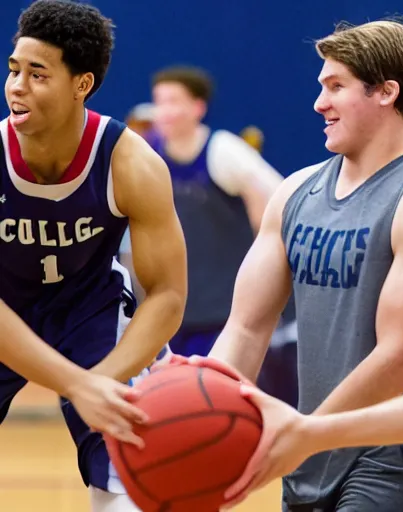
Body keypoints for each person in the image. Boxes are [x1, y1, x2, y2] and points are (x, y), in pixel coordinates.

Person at [211, 0, 403, 506]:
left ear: (386, 92)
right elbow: (245, 328)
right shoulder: (295, 193)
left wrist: (307, 434)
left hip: (389, 463)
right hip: (311, 450)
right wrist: (204, 409)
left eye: (336, 87)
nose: (318, 104)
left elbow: (397, 356)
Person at [0, 1, 187, 511]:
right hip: (6, 307)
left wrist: (101, 386)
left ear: (81, 84)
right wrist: (75, 383)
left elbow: (168, 296)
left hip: (91, 308)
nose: (16, 87)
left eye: (37, 75)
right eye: (14, 70)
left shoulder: (131, 164)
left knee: (128, 448)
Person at [144, 66, 283, 357]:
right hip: (171, 307)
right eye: (159, 101)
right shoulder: (147, 152)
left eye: (173, 101)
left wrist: (266, 250)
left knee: (217, 395)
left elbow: (281, 197)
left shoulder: (223, 150)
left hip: (223, 309)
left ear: (197, 107)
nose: (163, 111)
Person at [0, 299, 147, 443]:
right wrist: (77, 384)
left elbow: (167, 290)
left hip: (89, 296)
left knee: (124, 429)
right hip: (7, 294)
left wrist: (103, 379)